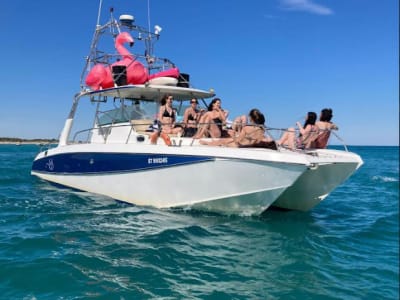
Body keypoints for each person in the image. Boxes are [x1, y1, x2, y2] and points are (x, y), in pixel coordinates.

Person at [199, 108, 274, 148]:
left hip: (240, 146)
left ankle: (207, 143)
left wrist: (234, 135)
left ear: (251, 118)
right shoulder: (262, 130)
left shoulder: (246, 128)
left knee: (222, 141)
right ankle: (211, 142)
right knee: (226, 140)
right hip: (249, 146)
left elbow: (238, 140)